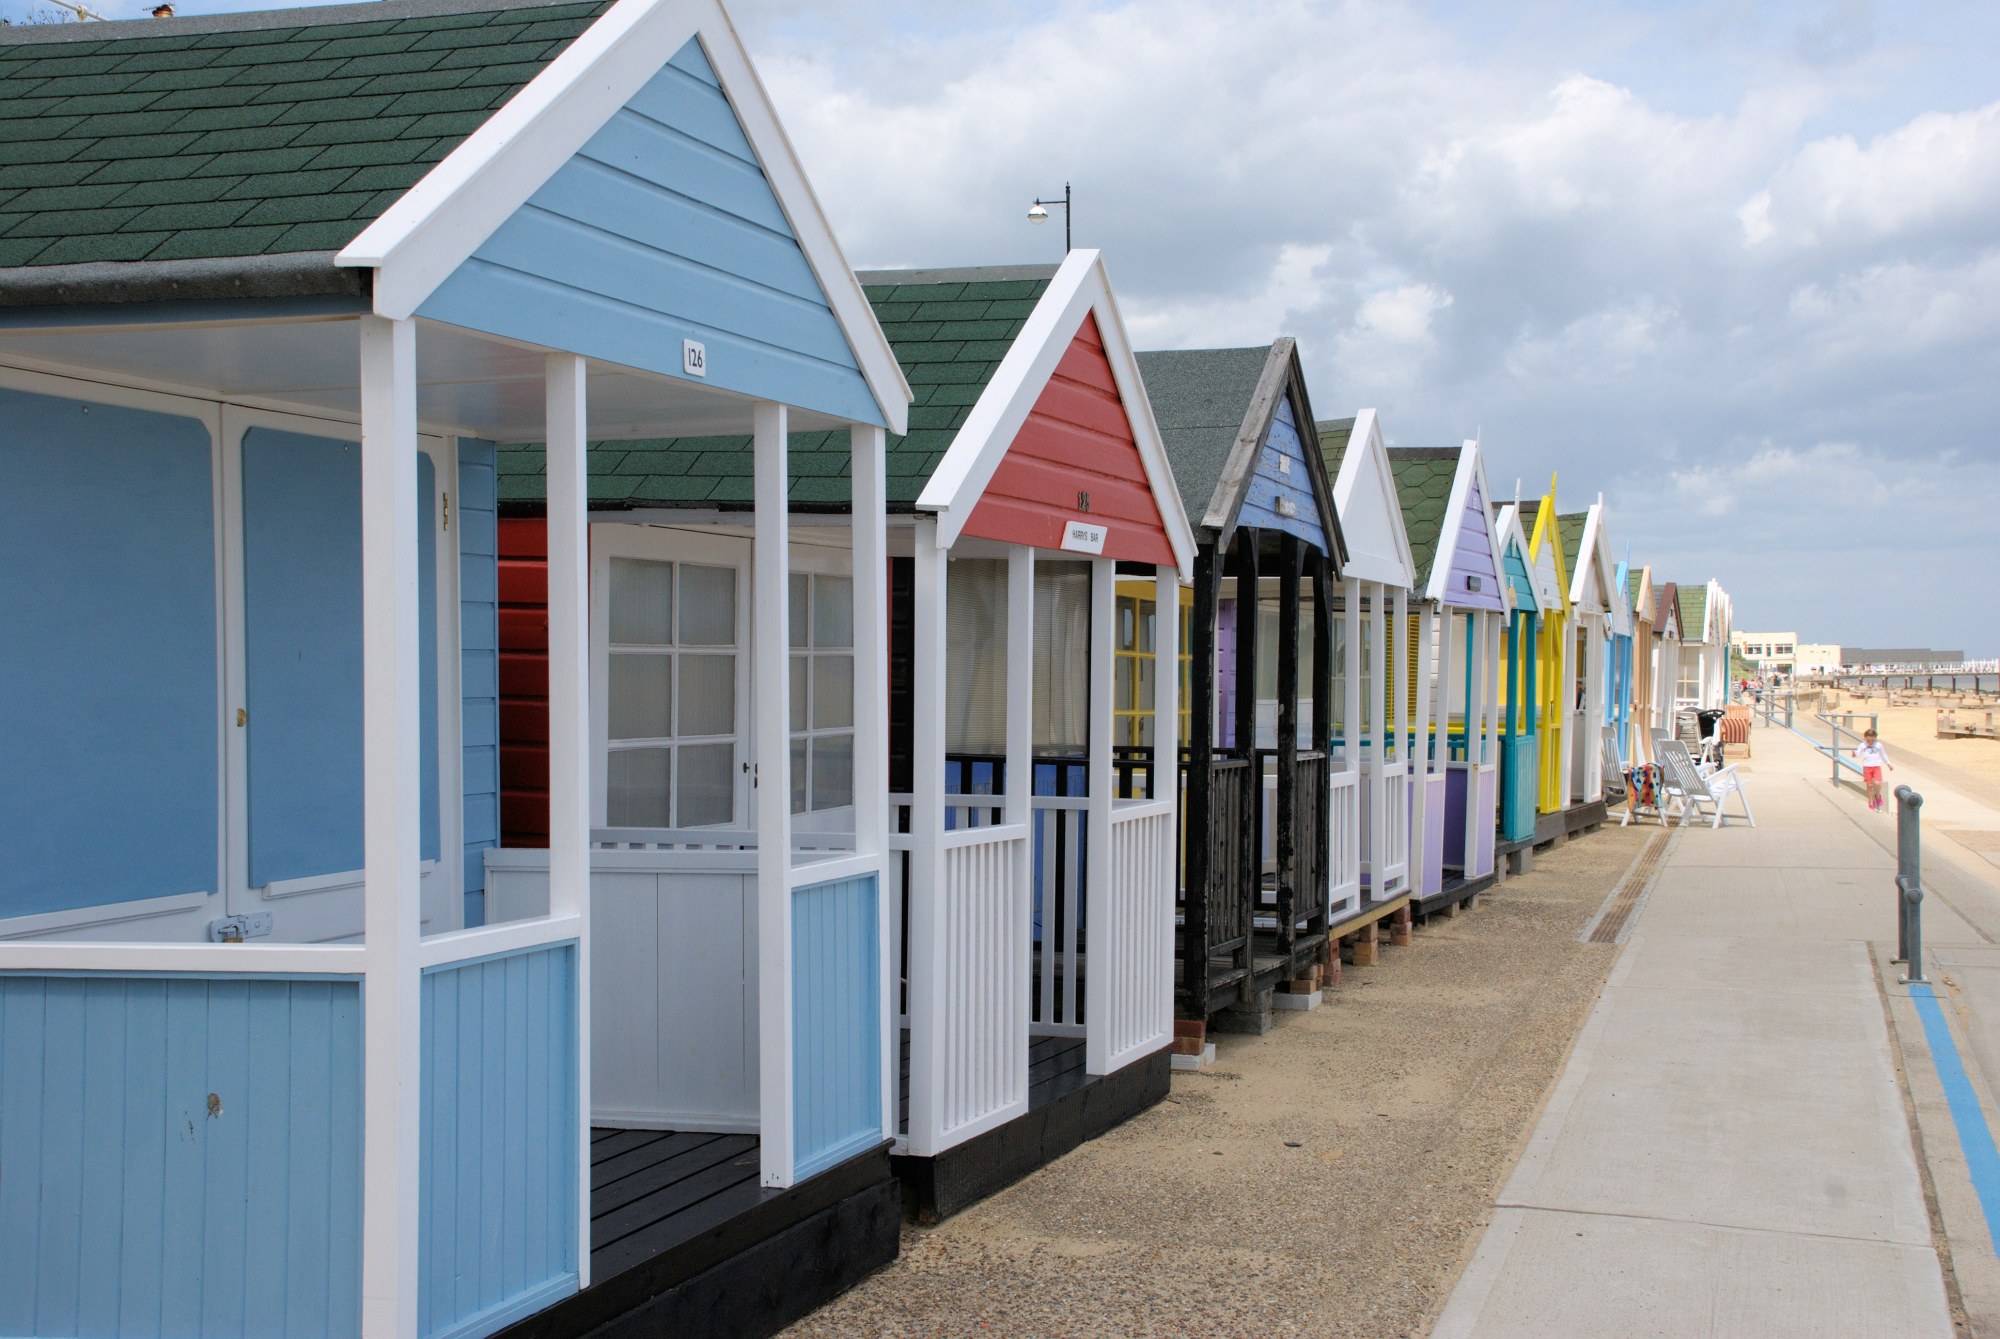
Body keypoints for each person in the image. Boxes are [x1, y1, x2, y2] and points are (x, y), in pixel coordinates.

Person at [1855, 728, 1894, 812]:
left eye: (1872, 740)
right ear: (1865, 738)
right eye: (1868, 740)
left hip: (1876, 766)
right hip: (1867, 766)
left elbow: (1883, 755)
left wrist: (1888, 764)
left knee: (1877, 782)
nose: (1870, 742)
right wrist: (1854, 754)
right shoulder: (1862, 745)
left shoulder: (1878, 745)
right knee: (1869, 785)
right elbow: (1857, 754)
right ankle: (1870, 801)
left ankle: (1878, 796)